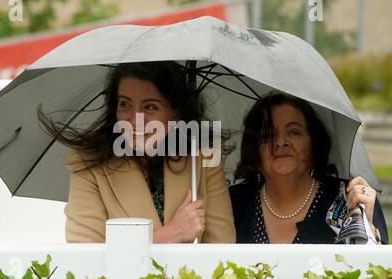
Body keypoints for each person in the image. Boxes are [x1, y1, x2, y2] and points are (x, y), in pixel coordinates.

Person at [39, 61, 236, 243]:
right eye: (125, 104)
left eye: (150, 106)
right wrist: (171, 234)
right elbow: (85, 258)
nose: (136, 120)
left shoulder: (204, 155)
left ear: (176, 113)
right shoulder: (87, 162)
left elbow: (222, 250)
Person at [230, 92, 388, 244]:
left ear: (314, 143)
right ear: (254, 148)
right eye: (268, 135)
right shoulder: (232, 204)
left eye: (294, 132)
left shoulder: (349, 199)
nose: (280, 142)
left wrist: (367, 227)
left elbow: (379, 270)